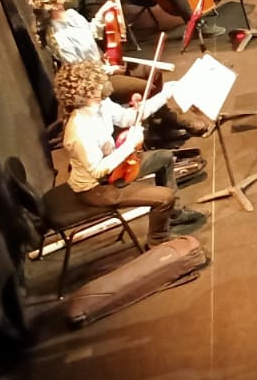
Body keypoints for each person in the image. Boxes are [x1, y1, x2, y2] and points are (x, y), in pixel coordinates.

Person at [27, 0, 212, 140]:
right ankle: (165, 122)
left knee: (153, 72)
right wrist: (109, 69)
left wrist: (106, 11)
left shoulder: (71, 15)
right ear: (54, 4)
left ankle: (163, 121)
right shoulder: (59, 39)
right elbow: (81, 72)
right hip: (95, 80)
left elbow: (91, 32)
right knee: (146, 86)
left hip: (103, 63)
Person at [55, 59, 204, 247]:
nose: (104, 82)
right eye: (98, 82)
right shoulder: (79, 131)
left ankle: (174, 215)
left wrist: (164, 95)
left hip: (116, 167)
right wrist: (130, 145)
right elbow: (97, 170)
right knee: (164, 198)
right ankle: (157, 241)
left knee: (164, 158)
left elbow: (128, 118)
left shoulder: (102, 104)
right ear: (86, 93)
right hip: (96, 188)